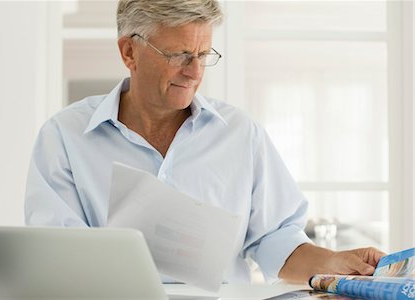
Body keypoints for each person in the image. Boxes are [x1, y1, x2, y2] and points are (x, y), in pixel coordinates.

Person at [25, 0, 385, 284]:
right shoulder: (64, 138)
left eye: (203, 55)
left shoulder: (241, 135)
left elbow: (274, 240)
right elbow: (58, 259)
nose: (195, 72)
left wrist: (332, 262)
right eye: (179, 55)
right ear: (129, 53)